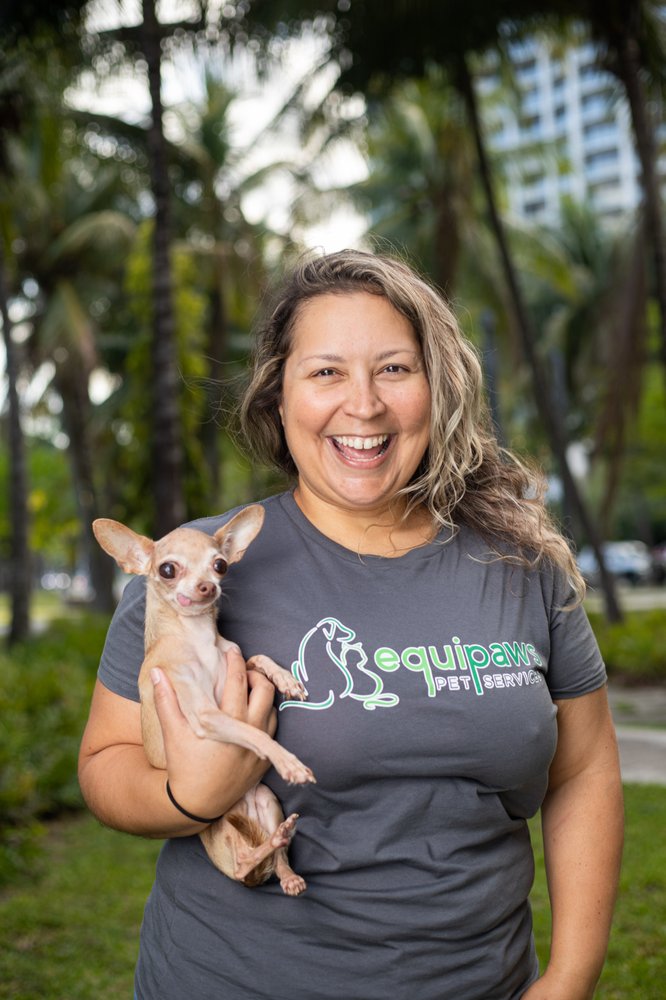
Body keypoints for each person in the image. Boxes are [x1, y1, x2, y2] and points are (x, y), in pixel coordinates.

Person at [79, 249, 623, 1000]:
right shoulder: (192, 572)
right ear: (278, 397)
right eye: (326, 372)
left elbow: (586, 769)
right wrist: (188, 797)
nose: (363, 405)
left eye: (394, 369)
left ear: (438, 388)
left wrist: (570, 976)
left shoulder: (523, 564)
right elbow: (106, 762)